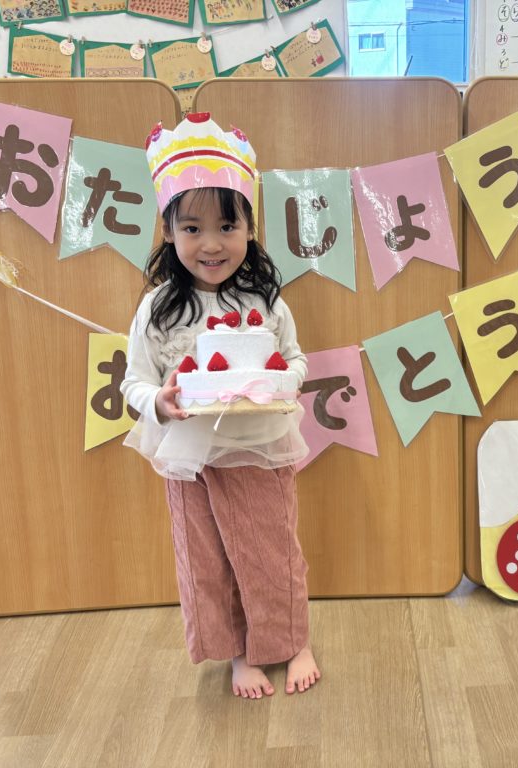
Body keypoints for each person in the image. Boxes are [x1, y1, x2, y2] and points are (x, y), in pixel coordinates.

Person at [121, 114, 320, 699]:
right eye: (192, 227)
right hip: (188, 459)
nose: (211, 243)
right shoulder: (157, 308)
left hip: (258, 447)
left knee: (272, 552)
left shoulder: (265, 300)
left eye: (227, 225)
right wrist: (159, 401)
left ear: (250, 229)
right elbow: (134, 381)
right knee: (206, 561)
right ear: (168, 231)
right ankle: (237, 652)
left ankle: (292, 642)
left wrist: (282, 384)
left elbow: (296, 360)